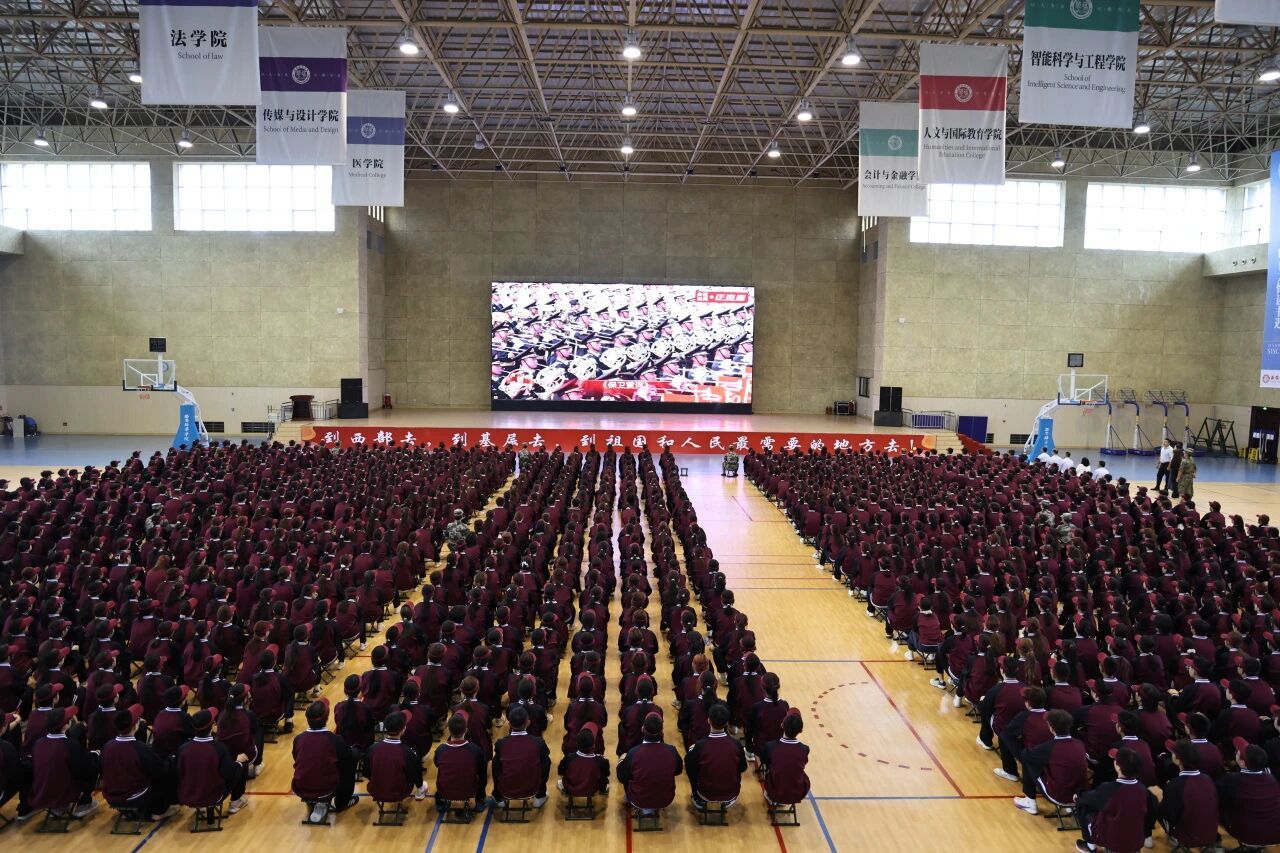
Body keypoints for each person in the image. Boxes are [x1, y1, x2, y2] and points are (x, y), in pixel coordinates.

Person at [1072, 748, 1157, 853]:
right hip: (1136, 840)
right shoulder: (1145, 791)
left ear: (1118, 766)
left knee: (1083, 804)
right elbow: (1151, 815)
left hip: (1112, 840)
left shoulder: (1108, 789)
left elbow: (1088, 798)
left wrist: (1079, 794)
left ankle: (1090, 847)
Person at [101, 704, 177, 820]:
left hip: (111, 797)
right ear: (135, 726)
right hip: (135, 797)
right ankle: (158, 811)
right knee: (166, 773)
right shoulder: (139, 748)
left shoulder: (107, 746)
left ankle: (128, 811)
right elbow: (160, 770)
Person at [291, 700, 358, 822]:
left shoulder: (298, 739)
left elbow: (297, 758)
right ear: (327, 718)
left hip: (300, 788)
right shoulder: (335, 740)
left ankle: (313, 799)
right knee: (351, 759)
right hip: (327, 789)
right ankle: (342, 802)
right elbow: (345, 763)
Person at [1013, 709, 1088, 816]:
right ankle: (1071, 808)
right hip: (1079, 796)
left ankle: (1030, 802)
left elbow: (1025, 755)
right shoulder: (1079, 744)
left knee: (1029, 761)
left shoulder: (1050, 747)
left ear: (1051, 728)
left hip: (1059, 796)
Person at [27, 707, 98, 819]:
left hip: (41, 793)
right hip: (63, 794)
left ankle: (57, 808)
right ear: (65, 726)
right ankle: (84, 803)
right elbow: (83, 770)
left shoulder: (38, 743)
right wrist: (94, 755)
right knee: (93, 763)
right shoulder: (70, 745)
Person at [176, 708, 249, 815]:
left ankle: (201, 805)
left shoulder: (182, 748)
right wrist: (239, 762)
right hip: (212, 797)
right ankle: (236, 801)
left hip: (187, 796)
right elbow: (229, 775)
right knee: (241, 762)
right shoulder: (220, 748)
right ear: (213, 725)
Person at [1216, 740, 1280, 848]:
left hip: (1248, 835)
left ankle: (1214, 843)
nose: (1236, 753)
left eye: (1237, 753)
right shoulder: (1272, 779)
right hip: (1276, 834)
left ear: (1242, 762)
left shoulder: (1232, 780)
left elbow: (1213, 795)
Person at [1158, 740, 1220, 851]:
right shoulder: (1207, 779)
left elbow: (1168, 814)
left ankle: (1173, 838)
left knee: (1158, 807)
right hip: (1211, 834)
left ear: (1178, 760)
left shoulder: (1175, 784)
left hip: (1188, 837)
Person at [617, 712, 682, 817]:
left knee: (625, 764)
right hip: (665, 800)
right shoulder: (671, 751)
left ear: (642, 729)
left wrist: (622, 760)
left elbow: (622, 777)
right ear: (662, 732)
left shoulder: (633, 753)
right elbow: (678, 770)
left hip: (638, 800)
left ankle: (632, 797)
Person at [685, 703, 747, 809]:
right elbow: (742, 768)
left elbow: (690, 769)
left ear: (708, 720)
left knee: (691, 766)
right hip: (730, 793)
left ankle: (697, 798)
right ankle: (728, 799)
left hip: (705, 793)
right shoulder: (736, 744)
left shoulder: (700, 746)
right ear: (726, 722)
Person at [492, 704, 550, 808]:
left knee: (496, 763)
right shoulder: (538, 742)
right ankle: (540, 795)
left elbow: (497, 771)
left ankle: (498, 797)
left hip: (506, 789)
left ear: (509, 724)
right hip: (531, 788)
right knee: (546, 761)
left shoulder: (501, 744)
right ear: (528, 722)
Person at [364, 710, 426, 804]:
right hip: (400, 793)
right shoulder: (408, 752)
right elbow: (414, 776)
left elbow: (367, 773)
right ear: (403, 729)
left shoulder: (372, 749)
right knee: (421, 783)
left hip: (375, 791)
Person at [433, 711, 490, 810]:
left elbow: (436, 764)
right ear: (466, 730)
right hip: (469, 791)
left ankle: (440, 802)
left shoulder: (441, 750)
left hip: (445, 791)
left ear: (449, 731)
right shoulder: (475, 750)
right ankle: (480, 799)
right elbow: (482, 773)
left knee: (441, 772)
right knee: (482, 774)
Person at [759, 710, 810, 807]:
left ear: (782, 725)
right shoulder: (805, 749)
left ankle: (772, 795)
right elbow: (803, 763)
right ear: (801, 731)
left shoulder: (770, 746)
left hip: (775, 792)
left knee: (770, 771)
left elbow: (764, 760)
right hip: (796, 795)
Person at [556, 724, 610, 798]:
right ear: (593, 745)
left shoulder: (568, 758)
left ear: (577, 744)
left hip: (571, 789)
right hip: (592, 790)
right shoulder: (601, 761)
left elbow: (560, 772)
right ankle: (603, 790)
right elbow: (606, 774)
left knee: (560, 781)